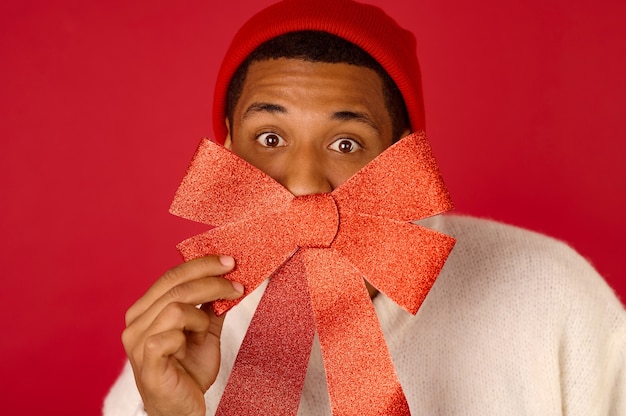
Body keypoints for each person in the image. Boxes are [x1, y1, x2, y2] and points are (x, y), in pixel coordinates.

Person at [104, 0, 626, 415]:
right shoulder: (176, 348)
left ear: (403, 151)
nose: (305, 183)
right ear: (227, 149)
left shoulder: (550, 292)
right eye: (269, 137)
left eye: (346, 143)